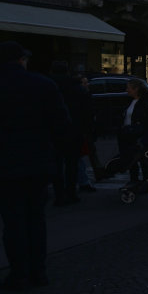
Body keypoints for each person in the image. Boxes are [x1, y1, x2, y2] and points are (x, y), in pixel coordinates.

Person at [0, 41, 72, 290]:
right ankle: (38, 272)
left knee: (13, 220)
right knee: (36, 218)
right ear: (22, 60)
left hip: (2, 162)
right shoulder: (43, 84)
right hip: (37, 161)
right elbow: (62, 124)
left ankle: (19, 273)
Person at [48, 60, 93, 206]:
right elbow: (87, 111)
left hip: (53, 131)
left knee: (56, 164)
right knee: (72, 164)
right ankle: (71, 193)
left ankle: (59, 194)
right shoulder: (77, 88)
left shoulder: (48, 86)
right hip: (74, 130)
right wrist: (87, 129)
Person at [118, 79, 148, 188]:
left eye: (129, 88)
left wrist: (146, 135)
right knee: (131, 159)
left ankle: (146, 183)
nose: (127, 90)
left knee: (144, 160)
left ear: (136, 89)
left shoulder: (147, 103)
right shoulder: (130, 101)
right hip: (129, 134)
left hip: (140, 135)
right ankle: (134, 180)